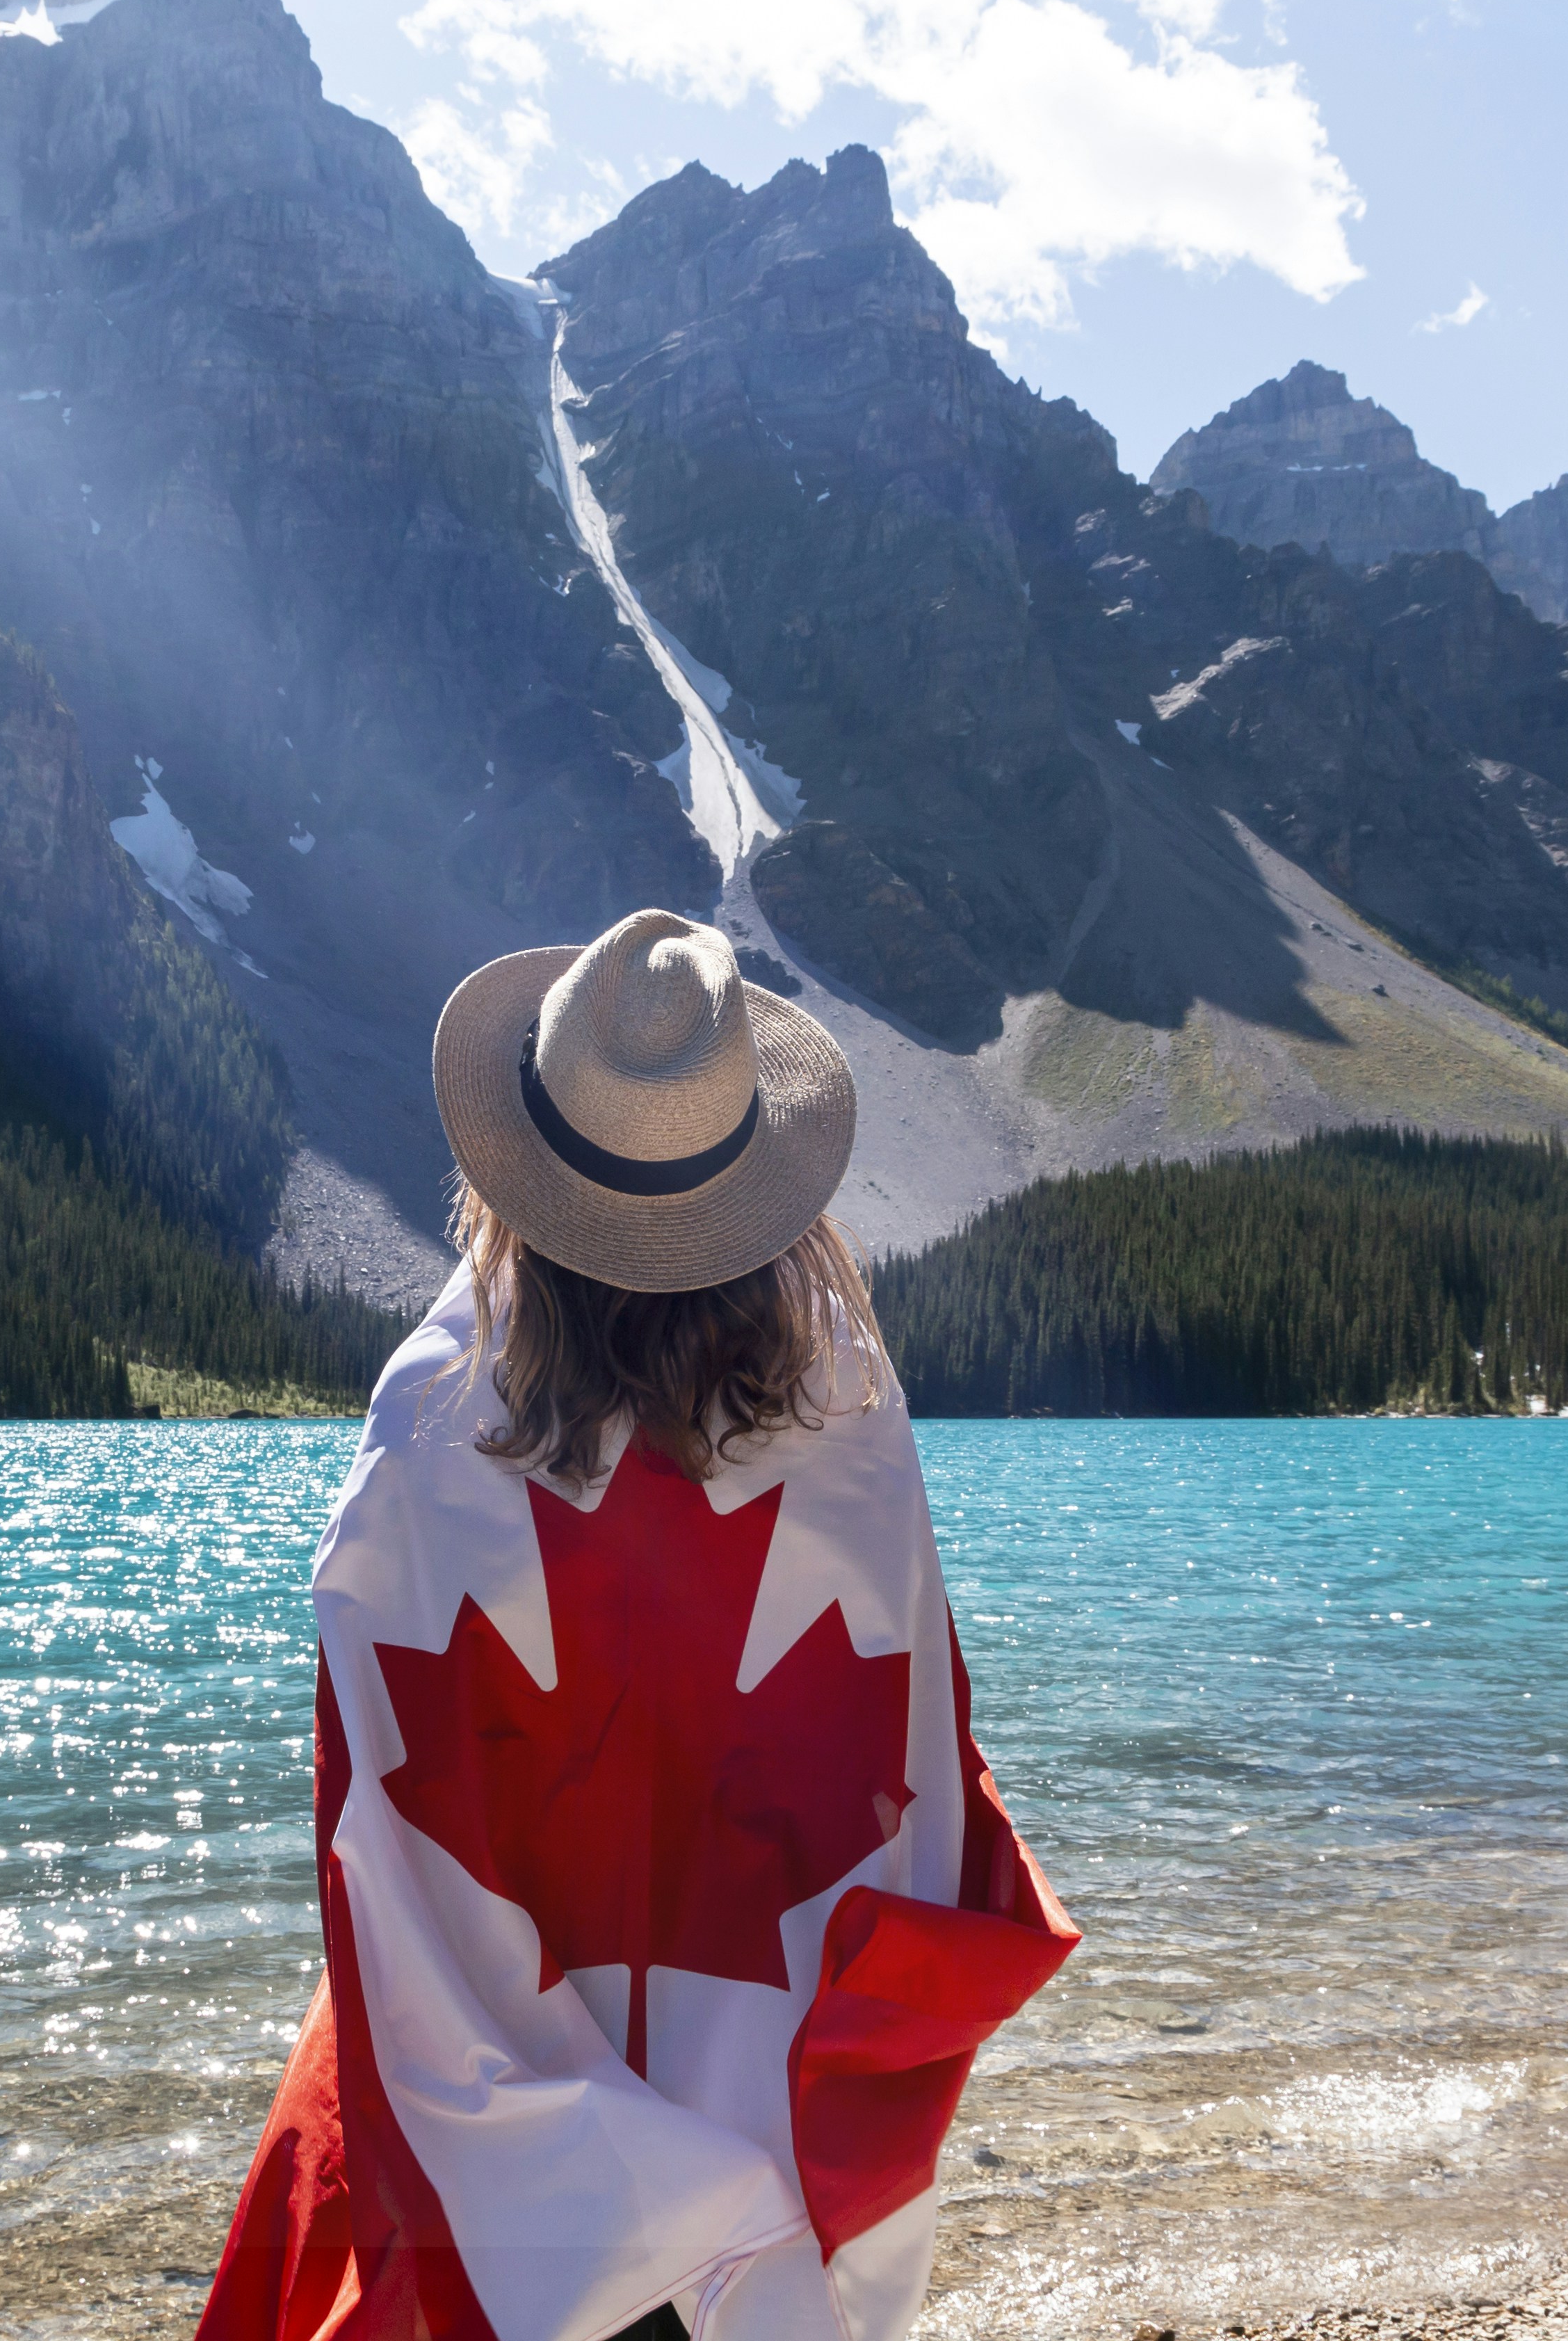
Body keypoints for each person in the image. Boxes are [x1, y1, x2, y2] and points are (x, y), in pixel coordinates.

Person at [197, 910, 1075, 2341]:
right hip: (775, 2085)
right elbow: (921, 1746)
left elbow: (377, 1814)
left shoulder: (434, 1421)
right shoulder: (846, 1405)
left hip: (513, 2101)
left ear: (517, 1179)